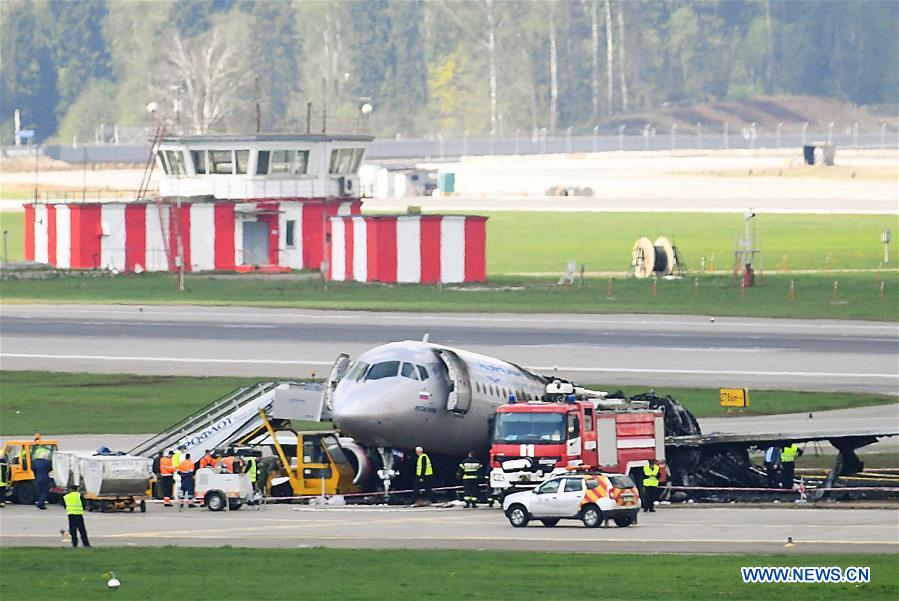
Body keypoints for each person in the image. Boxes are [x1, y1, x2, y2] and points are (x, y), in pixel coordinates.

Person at [32, 443, 53, 510]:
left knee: (40, 492)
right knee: (45, 492)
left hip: (37, 478)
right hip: (45, 478)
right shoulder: (47, 462)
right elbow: (50, 469)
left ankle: (41, 504)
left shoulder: (35, 462)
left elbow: (33, 469)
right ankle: (40, 503)